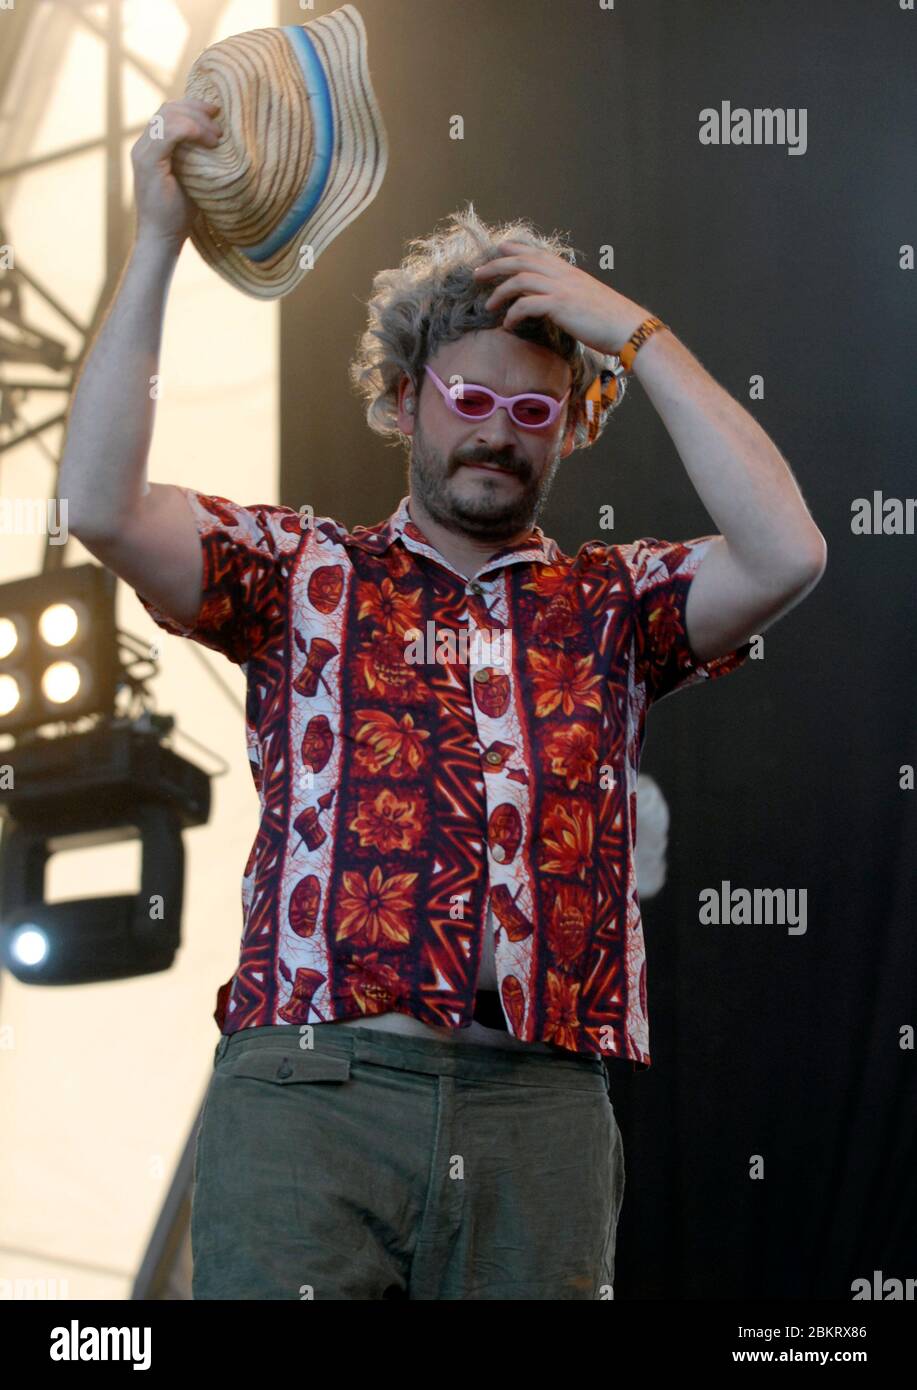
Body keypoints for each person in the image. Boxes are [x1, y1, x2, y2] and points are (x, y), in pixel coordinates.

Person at [59, 99, 827, 1300]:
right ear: (406, 399)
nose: (496, 433)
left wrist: (631, 334)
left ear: (568, 431)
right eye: (468, 399)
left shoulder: (612, 603)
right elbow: (101, 505)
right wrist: (156, 235)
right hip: (312, 1088)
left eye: (532, 411)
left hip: (538, 1105)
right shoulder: (302, 570)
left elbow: (787, 551)